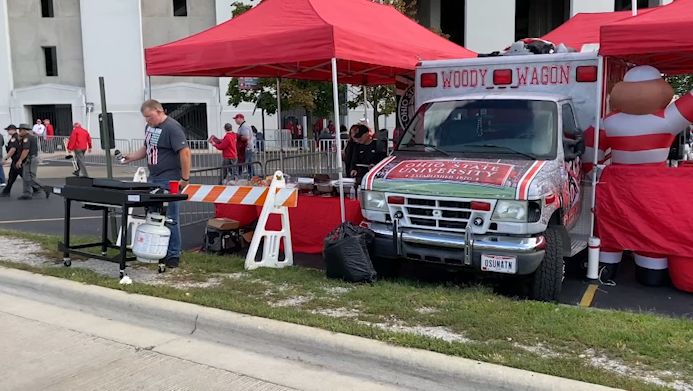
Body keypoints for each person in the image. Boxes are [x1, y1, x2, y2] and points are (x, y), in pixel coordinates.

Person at [122, 100, 191, 269]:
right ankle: (156, 251)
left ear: (159, 111)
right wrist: (131, 157)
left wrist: (185, 178)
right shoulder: (150, 128)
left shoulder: (172, 128)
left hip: (169, 179)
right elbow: (147, 149)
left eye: (149, 116)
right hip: (153, 177)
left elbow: (185, 152)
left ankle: (173, 255)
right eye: (145, 117)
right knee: (154, 215)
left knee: (170, 218)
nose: (147, 120)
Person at [16, 124, 48, 200]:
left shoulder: (27, 138)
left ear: (24, 130)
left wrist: (20, 160)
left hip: (30, 159)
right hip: (31, 158)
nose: (19, 131)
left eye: (20, 130)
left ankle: (44, 187)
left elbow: (26, 150)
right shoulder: (30, 137)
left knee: (30, 177)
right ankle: (26, 193)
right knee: (26, 177)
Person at [1, 125, 22, 197]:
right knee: (11, 177)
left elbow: (13, 149)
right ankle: (6, 191)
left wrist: (5, 158)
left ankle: (37, 188)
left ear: (12, 130)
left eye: (8, 130)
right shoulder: (18, 137)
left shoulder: (14, 138)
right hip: (16, 160)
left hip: (16, 160)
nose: (7, 131)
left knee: (25, 177)